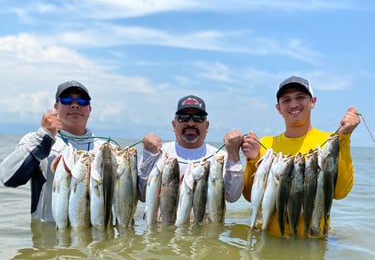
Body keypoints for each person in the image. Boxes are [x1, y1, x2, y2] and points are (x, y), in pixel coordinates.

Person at [241, 76, 361, 237]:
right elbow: (250, 197)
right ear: (278, 107)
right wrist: (252, 160)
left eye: (300, 97)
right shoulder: (266, 144)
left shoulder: (330, 141)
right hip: (270, 241)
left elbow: (340, 192)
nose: (293, 104)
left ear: (313, 102)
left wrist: (344, 138)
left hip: (313, 242)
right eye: (286, 100)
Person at [0, 80, 104, 223]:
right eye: (67, 99)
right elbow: (8, 178)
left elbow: (137, 194)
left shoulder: (106, 149)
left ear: (90, 109)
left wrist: (147, 155)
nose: (75, 104)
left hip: (94, 242)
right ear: (56, 107)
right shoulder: (36, 141)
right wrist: (44, 136)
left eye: (82, 100)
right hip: (49, 241)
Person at [138, 94, 244, 204]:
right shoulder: (157, 153)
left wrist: (233, 153)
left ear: (207, 126)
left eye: (198, 118)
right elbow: (142, 195)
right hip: (164, 221)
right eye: (183, 117)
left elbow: (232, 196)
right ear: (174, 125)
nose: (190, 123)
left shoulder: (220, 157)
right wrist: (147, 154)